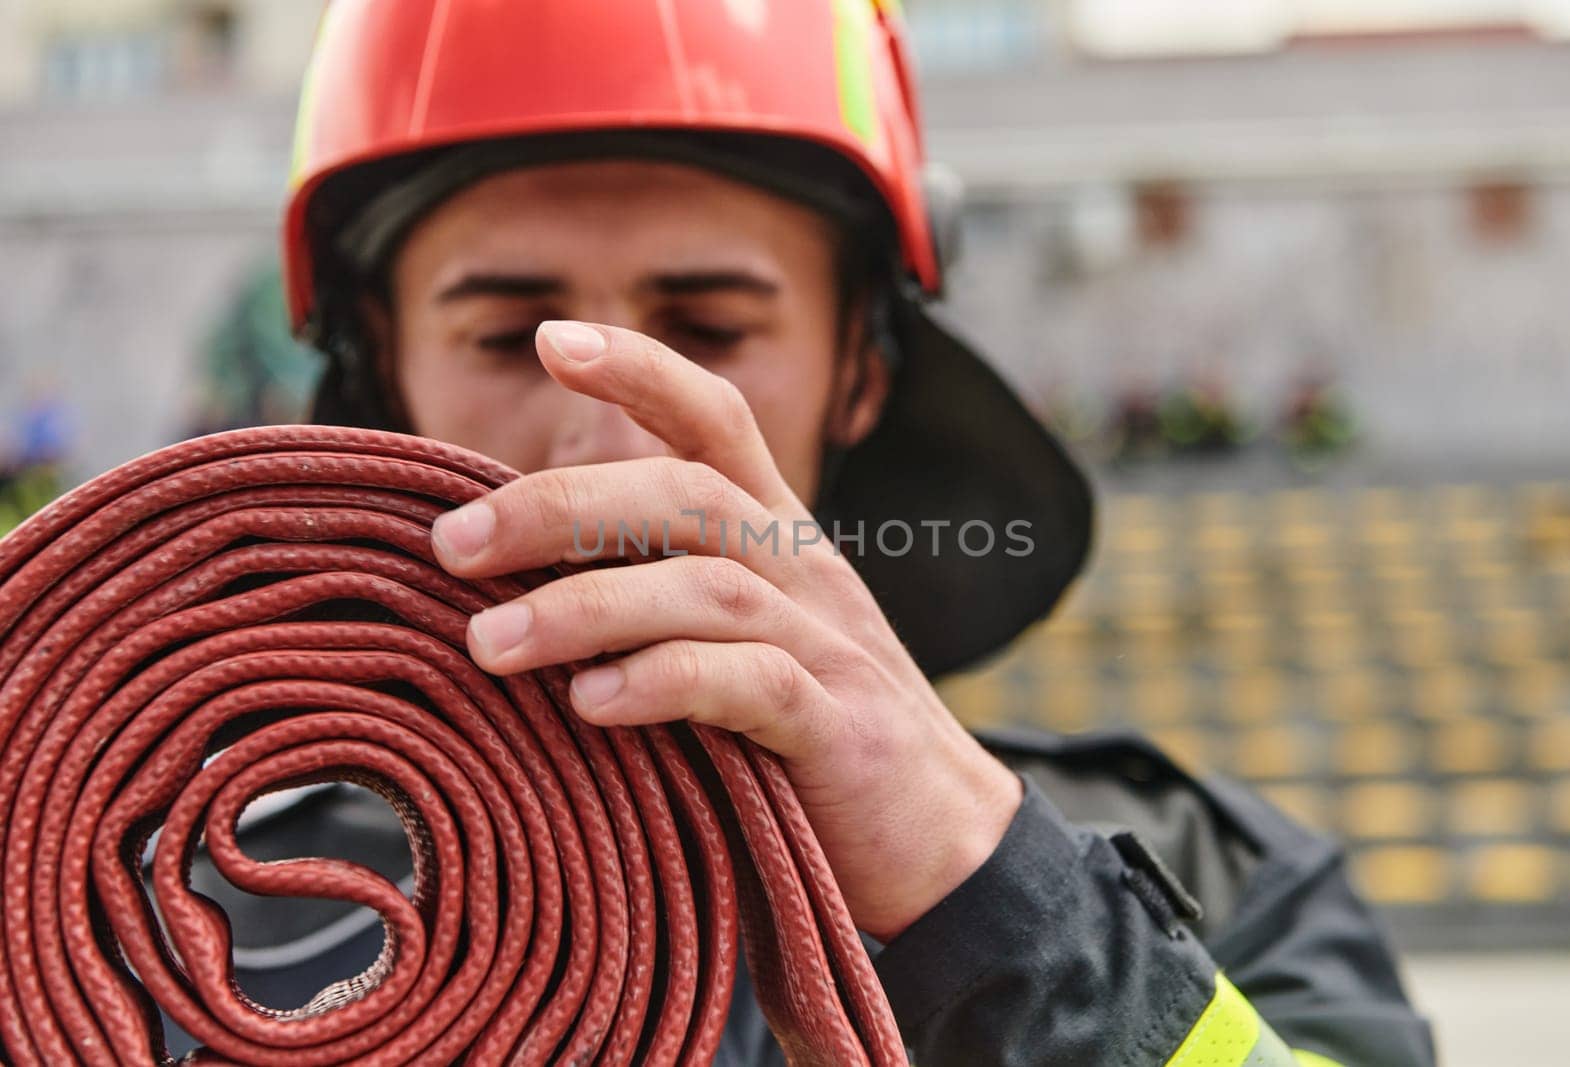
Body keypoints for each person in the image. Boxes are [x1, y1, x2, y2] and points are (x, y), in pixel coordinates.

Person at [191, 3, 1434, 1064]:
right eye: (510, 336)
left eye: (714, 327)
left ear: (861, 372)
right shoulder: (166, 901)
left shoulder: (1212, 874)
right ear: (379, 372)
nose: (614, 438)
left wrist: (997, 901)